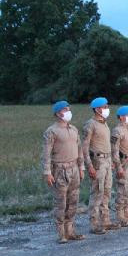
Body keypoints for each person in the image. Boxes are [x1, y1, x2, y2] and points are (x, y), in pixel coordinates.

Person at [42, 101, 85, 244]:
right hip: (59, 170)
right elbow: (46, 154)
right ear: (58, 113)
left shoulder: (73, 129)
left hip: (74, 169)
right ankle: (61, 233)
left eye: (69, 109)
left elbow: (80, 150)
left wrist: (81, 167)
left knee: (73, 201)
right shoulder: (51, 131)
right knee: (61, 202)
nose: (68, 111)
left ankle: (70, 231)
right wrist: (47, 172)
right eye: (65, 109)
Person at [82, 96, 118, 235]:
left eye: (107, 106)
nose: (107, 109)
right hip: (97, 162)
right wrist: (89, 165)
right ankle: (94, 223)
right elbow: (84, 147)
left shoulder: (104, 123)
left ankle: (106, 220)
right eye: (104, 107)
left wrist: (112, 162)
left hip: (107, 161)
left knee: (107, 191)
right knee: (97, 192)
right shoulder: (90, 124)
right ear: (97, 109)